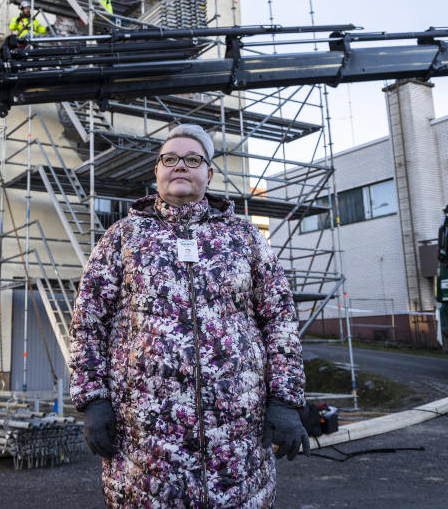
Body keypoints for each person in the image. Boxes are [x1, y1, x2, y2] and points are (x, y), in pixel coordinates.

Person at [69, 123, 309, 508]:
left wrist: (285, 399)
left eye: (192, 159)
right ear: (157, 172)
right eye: (170, 159)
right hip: (146, 449)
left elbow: (279, 320)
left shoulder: (245, 238)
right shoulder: (121, 237)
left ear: (209, 173)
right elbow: (88, 323)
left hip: (237, 448)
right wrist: (93, 399)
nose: (180, 165)